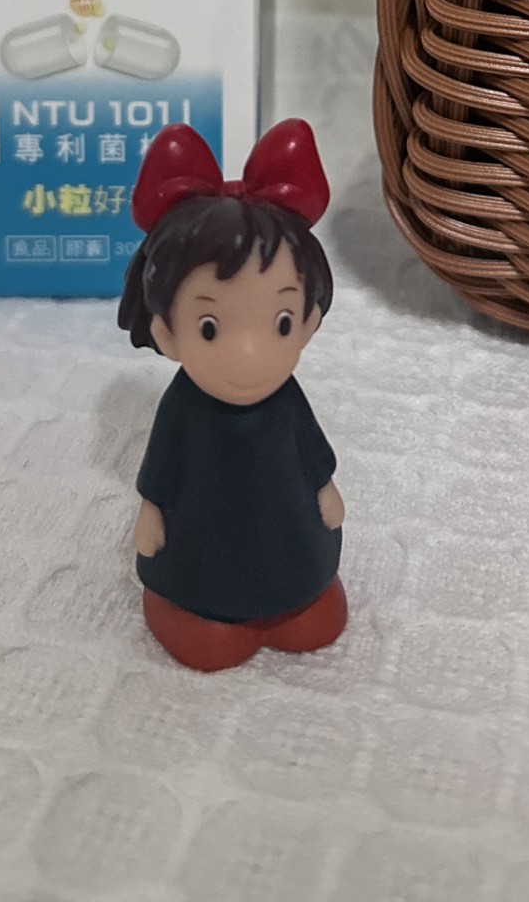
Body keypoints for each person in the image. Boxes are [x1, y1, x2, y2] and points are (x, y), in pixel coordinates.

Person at [117, 119, 347, 671]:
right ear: (166, 331)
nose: (250, 356)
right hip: (201, 550)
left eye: (281, 321)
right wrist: (151, 512)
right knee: (209, 632)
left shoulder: (286, 401)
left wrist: (325, 488)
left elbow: (311, 451)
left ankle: (295, 598)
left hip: (290, 541)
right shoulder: (185, 408)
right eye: (210, 327)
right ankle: (191, 609)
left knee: (312, 614)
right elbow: (163, 470)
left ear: (309, 321)